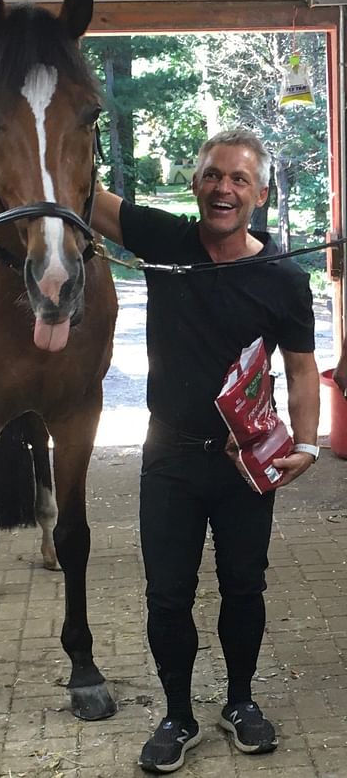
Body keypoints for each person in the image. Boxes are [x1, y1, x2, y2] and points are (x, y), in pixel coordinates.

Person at [91, 128, 320, 773]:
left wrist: (306, 444)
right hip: (169, 459)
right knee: (168, 595)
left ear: (261, 194)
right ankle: (178, 714)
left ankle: (241, 703)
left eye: (239, 179)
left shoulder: (282, 277)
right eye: (214, 175)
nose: (224, 188)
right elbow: (86, 197)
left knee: (244, 588)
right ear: (197, 184)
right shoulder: (166, 240)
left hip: (246, 460)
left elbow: (302, 369)